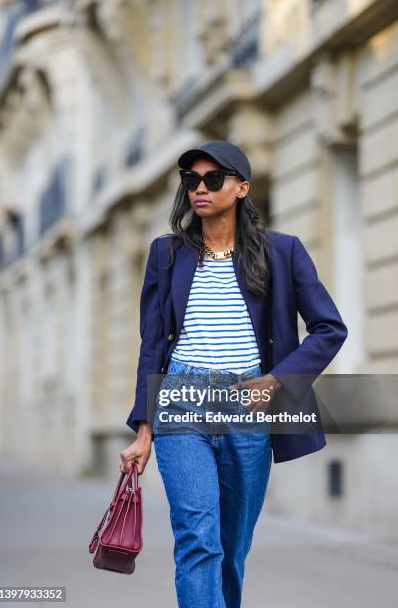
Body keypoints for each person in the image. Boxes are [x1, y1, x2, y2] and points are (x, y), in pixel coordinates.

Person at [120, 140, 348, 607]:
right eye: (191, 181)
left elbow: (329, 329)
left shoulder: (282, 252)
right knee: (198, 538)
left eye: (212, 179)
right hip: (181, 400)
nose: (199, 189)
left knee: (230, 550)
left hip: (248, 407)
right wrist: (143, 430)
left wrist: (278, 380)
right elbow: (151, 346)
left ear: (242, 188)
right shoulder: (166, 255)